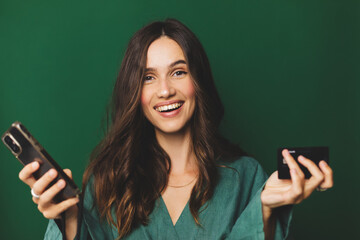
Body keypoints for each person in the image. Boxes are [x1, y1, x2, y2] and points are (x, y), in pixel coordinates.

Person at [18, 19, 333, 240]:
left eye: (178, 72)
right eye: (148, 77)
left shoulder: (247, 177)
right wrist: (67, 219)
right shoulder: (107, 182)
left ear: (198, 80)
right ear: (134, 93)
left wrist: (263, 211)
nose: (165, 90)